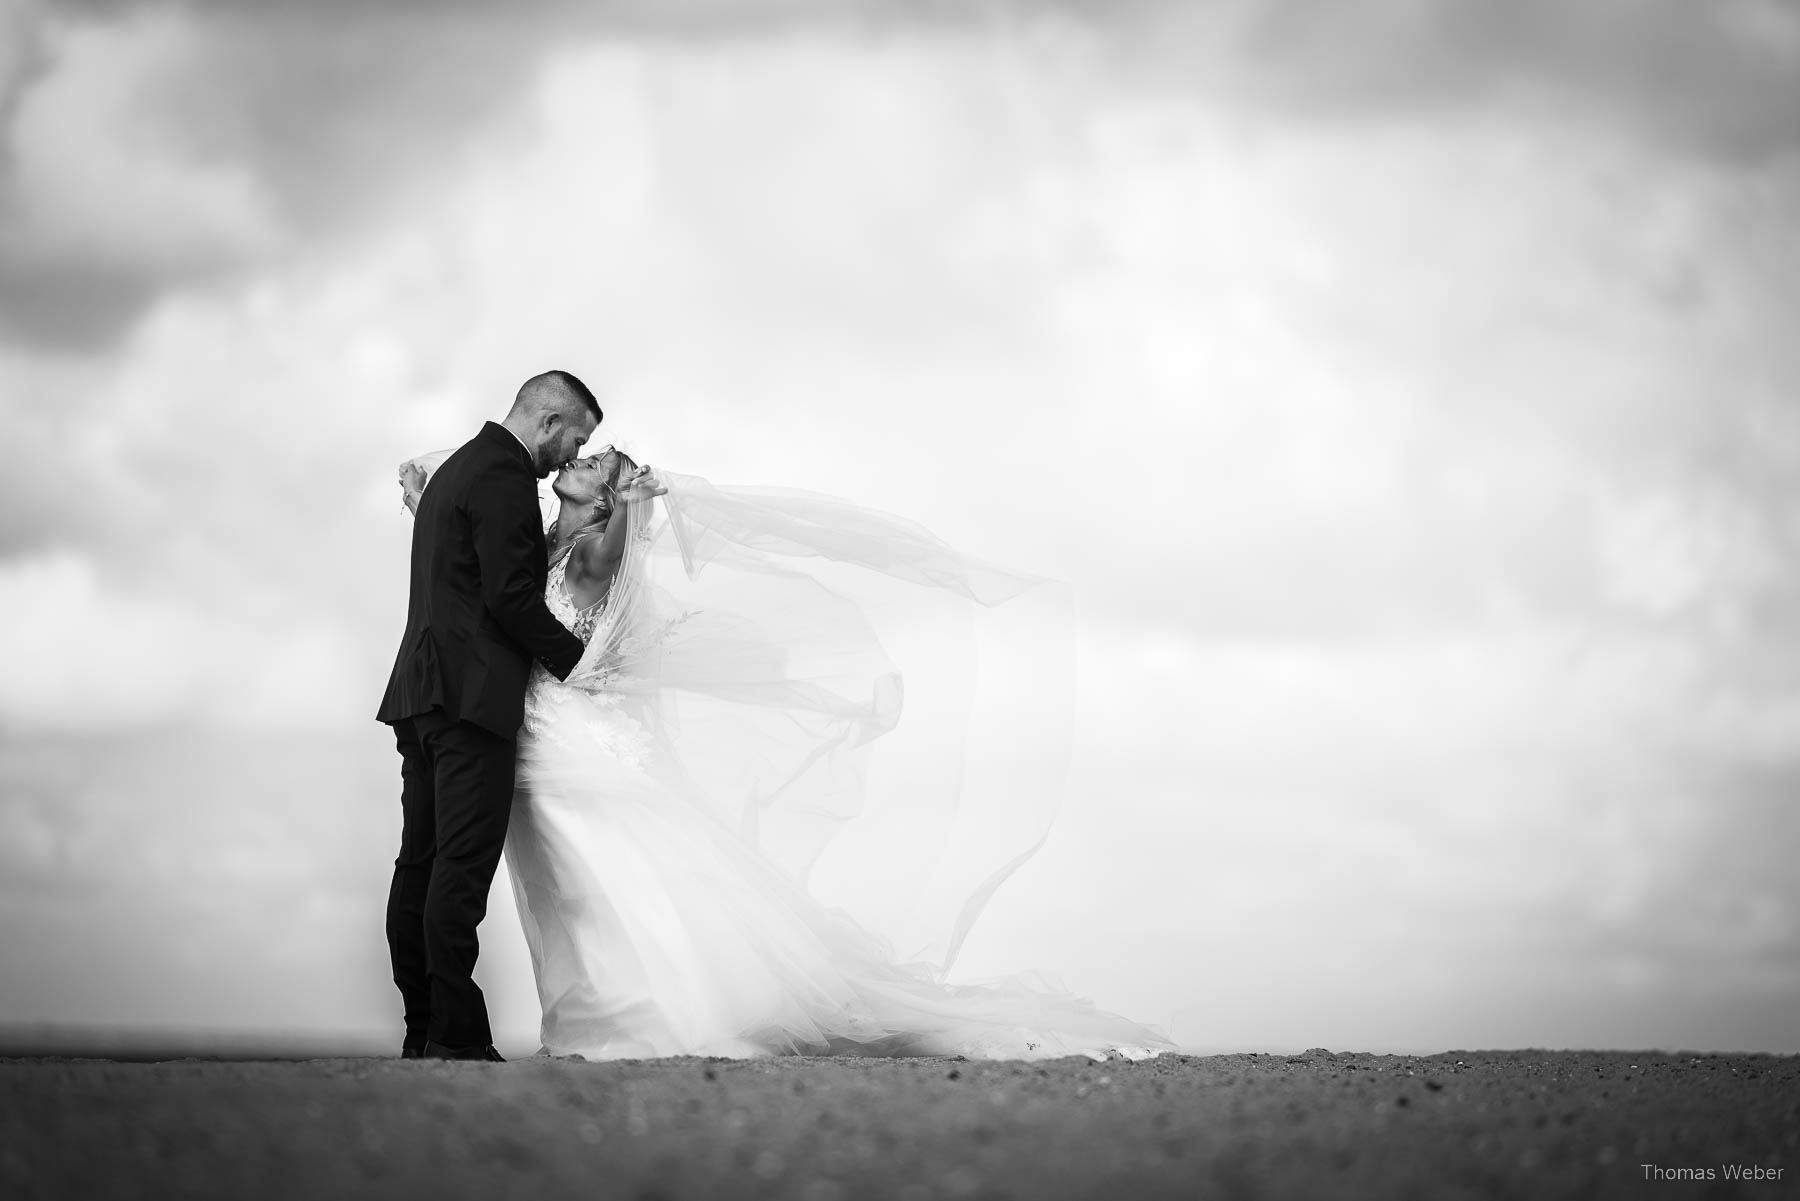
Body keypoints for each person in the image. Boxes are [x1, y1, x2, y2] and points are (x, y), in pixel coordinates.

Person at [399, 438, 1175, 1062]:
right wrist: (429, 500)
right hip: (543, 732)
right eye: (586, 454)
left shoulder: (597, 554)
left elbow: (575, 570)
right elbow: (487, 567)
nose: (579, 458)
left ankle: (646, 1018)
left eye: (595, 462)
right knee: (567, 888)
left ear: (605, 499)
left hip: (563, 742)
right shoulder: (545, 543)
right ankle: (595, 1016)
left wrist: (635, 502)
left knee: (602, 880)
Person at [376, 370, 602, 1062]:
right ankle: (457, 1034)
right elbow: (510, 598)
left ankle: (422, 1027)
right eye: (576, 439)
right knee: (459, 870)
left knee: (420, 863)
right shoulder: (503, 477)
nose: (570, 456)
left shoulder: (457, 472)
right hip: (470, 699)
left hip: (422, 691)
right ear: (548, 419)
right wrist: (581, 663)